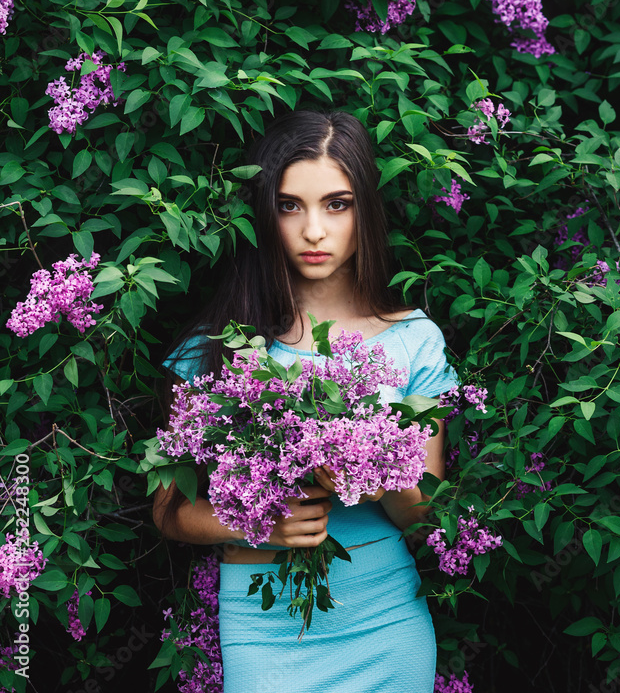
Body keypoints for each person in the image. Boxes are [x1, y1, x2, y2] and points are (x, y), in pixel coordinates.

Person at [153, 110, 458, 693]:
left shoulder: (414, 339)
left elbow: (424, 521)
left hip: (386, 620)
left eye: (336, 204)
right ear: (265, 213)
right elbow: (168, 511)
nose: (314, 230)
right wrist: (260, 523)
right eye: (290, 205)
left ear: (363, 209)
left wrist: (378, 468)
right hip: (266, 633)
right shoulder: (217, 346)